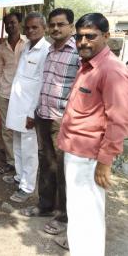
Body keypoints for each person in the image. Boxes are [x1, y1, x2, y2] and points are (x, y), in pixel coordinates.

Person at [57, 13, 128, 255]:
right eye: (79, 36)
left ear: (106, 36)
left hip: (90, 157)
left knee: (88, 217)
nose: (83, 42)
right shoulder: (87, 65)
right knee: (78, 213)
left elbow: (118, 121)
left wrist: (104, 162)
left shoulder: (112, 70)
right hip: (75, 151)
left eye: (91, 36)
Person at [20, 8, 79, 236]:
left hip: (62, 120)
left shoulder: (77, 53)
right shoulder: (51, 51)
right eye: (53, 24)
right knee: (46, 164)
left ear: (71, 27)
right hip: (43, 115)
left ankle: (63, 217)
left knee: (63, 169)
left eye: (60, 24)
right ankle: (45, 206)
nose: (56, 28)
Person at [3, 12, 50, 203]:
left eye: (35, 27)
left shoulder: (46, 50)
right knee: (17, 144)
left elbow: (41, 84)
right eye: (28, 27)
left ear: (43, 28)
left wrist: (32, 113)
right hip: (17, 106)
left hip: (29, 110)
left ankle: (27, 187)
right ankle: (19, 176)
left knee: (29, 149)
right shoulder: (27, 47)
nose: (30, 30)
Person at [0, 12, 26, 175]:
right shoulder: (1, 48)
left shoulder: (29, 44)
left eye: (13, 22)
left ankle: (24, 162)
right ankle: (11, 161)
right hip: (4, 92)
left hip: (24, 95)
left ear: (20, 23)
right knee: (6, 129)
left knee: (23, 129)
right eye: (7, 24)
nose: (10, 26)